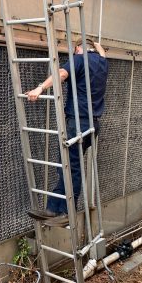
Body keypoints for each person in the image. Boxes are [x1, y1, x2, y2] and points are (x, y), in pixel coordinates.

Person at [26, 38, 108, 225]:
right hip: (93, 125)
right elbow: (102, 52)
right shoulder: (103, 62)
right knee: (71, 166)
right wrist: (94, 42)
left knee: (70, 167)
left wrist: (40, 88)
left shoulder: (79, 59)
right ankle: (55, 209)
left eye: (74, 50)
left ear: (78, 49)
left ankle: (63, 212)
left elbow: (61, 74)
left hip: (78, 123)